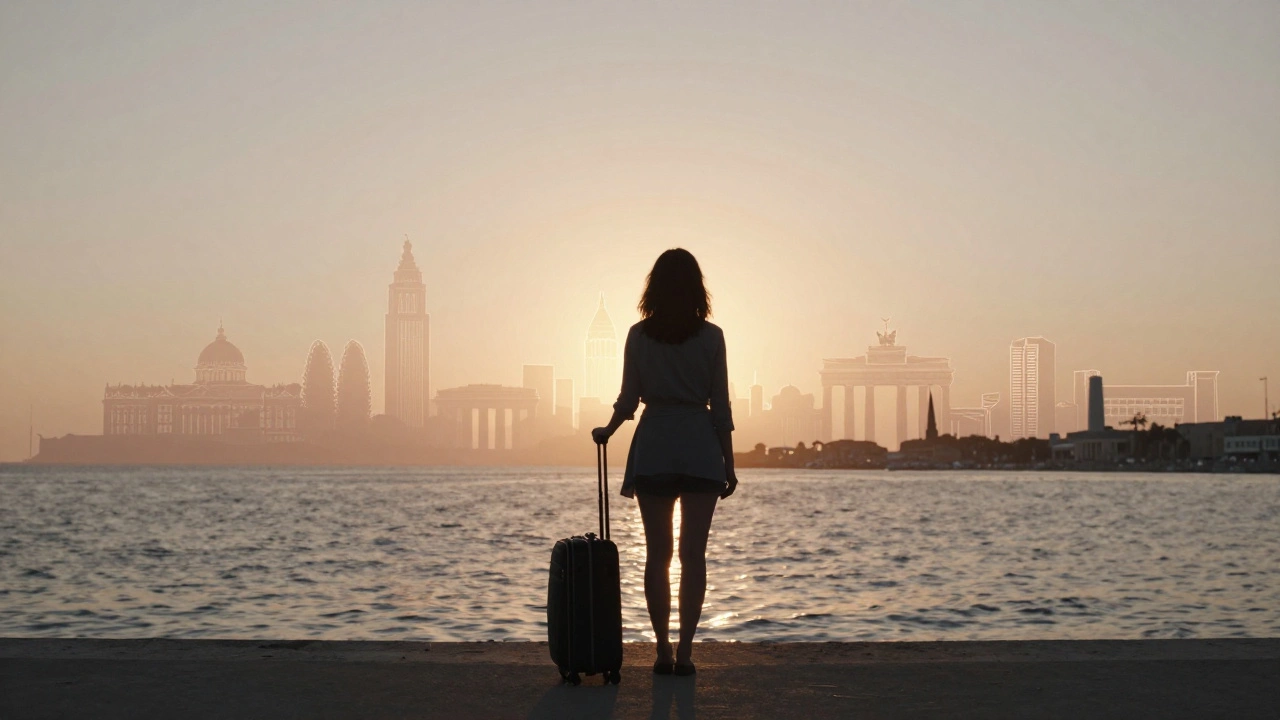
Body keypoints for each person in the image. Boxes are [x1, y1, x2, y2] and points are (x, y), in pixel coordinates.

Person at [592, 248, 737, 677]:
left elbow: (628, 398)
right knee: (694, 555)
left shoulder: (638, 335)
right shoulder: (712, 337)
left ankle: (661, 651)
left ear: (653, 287)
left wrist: (608, 430)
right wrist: (728, 464)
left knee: (658, 555)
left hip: (655, 444)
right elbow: (722, 406)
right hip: (699, 445)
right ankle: (687, 652)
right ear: (697, 288)